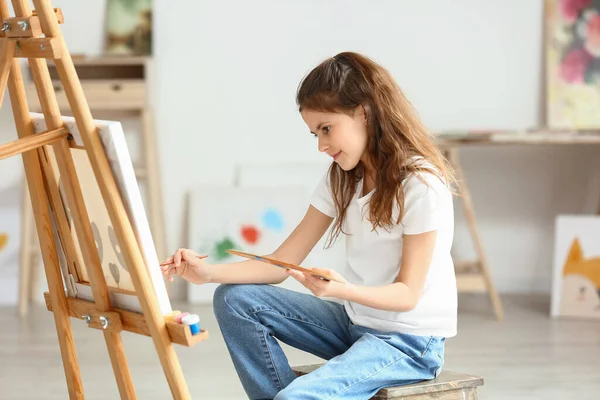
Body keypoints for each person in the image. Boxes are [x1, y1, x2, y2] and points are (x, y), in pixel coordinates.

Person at [162, 51, 458, 400]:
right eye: (315, 133)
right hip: (355, 325)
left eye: (326, 129)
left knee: (294, 398)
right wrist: (208, 273)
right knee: (234, 299)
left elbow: (407, 294)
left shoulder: (420, 183)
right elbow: (280, 263)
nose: (321, 145)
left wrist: (339, 290)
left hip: (409, 343)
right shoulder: (343, 179)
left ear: (364, 112)